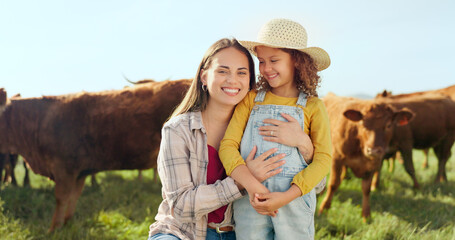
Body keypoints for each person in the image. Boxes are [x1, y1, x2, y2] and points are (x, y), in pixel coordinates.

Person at [148, 38, 315, 240]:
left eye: (241, 73)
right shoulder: (178, 130)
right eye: (222, 71)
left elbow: (317, 184)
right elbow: (182, 207)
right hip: (183, 233)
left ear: (250, 81)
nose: (232, 80)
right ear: (204, 76)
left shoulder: (259, 124)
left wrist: (304, 145)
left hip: (240, 234)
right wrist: (242, 180)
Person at [219, 18, 332, 240]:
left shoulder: (313, 106)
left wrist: (288, 195)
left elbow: (323, 159)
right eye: (261, 61)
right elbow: (228, 146)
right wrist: (252, 186)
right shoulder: (250, 100)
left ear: (297, 62)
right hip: (251, 200)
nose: (266, 68)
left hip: (294, 202)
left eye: (274, 60)